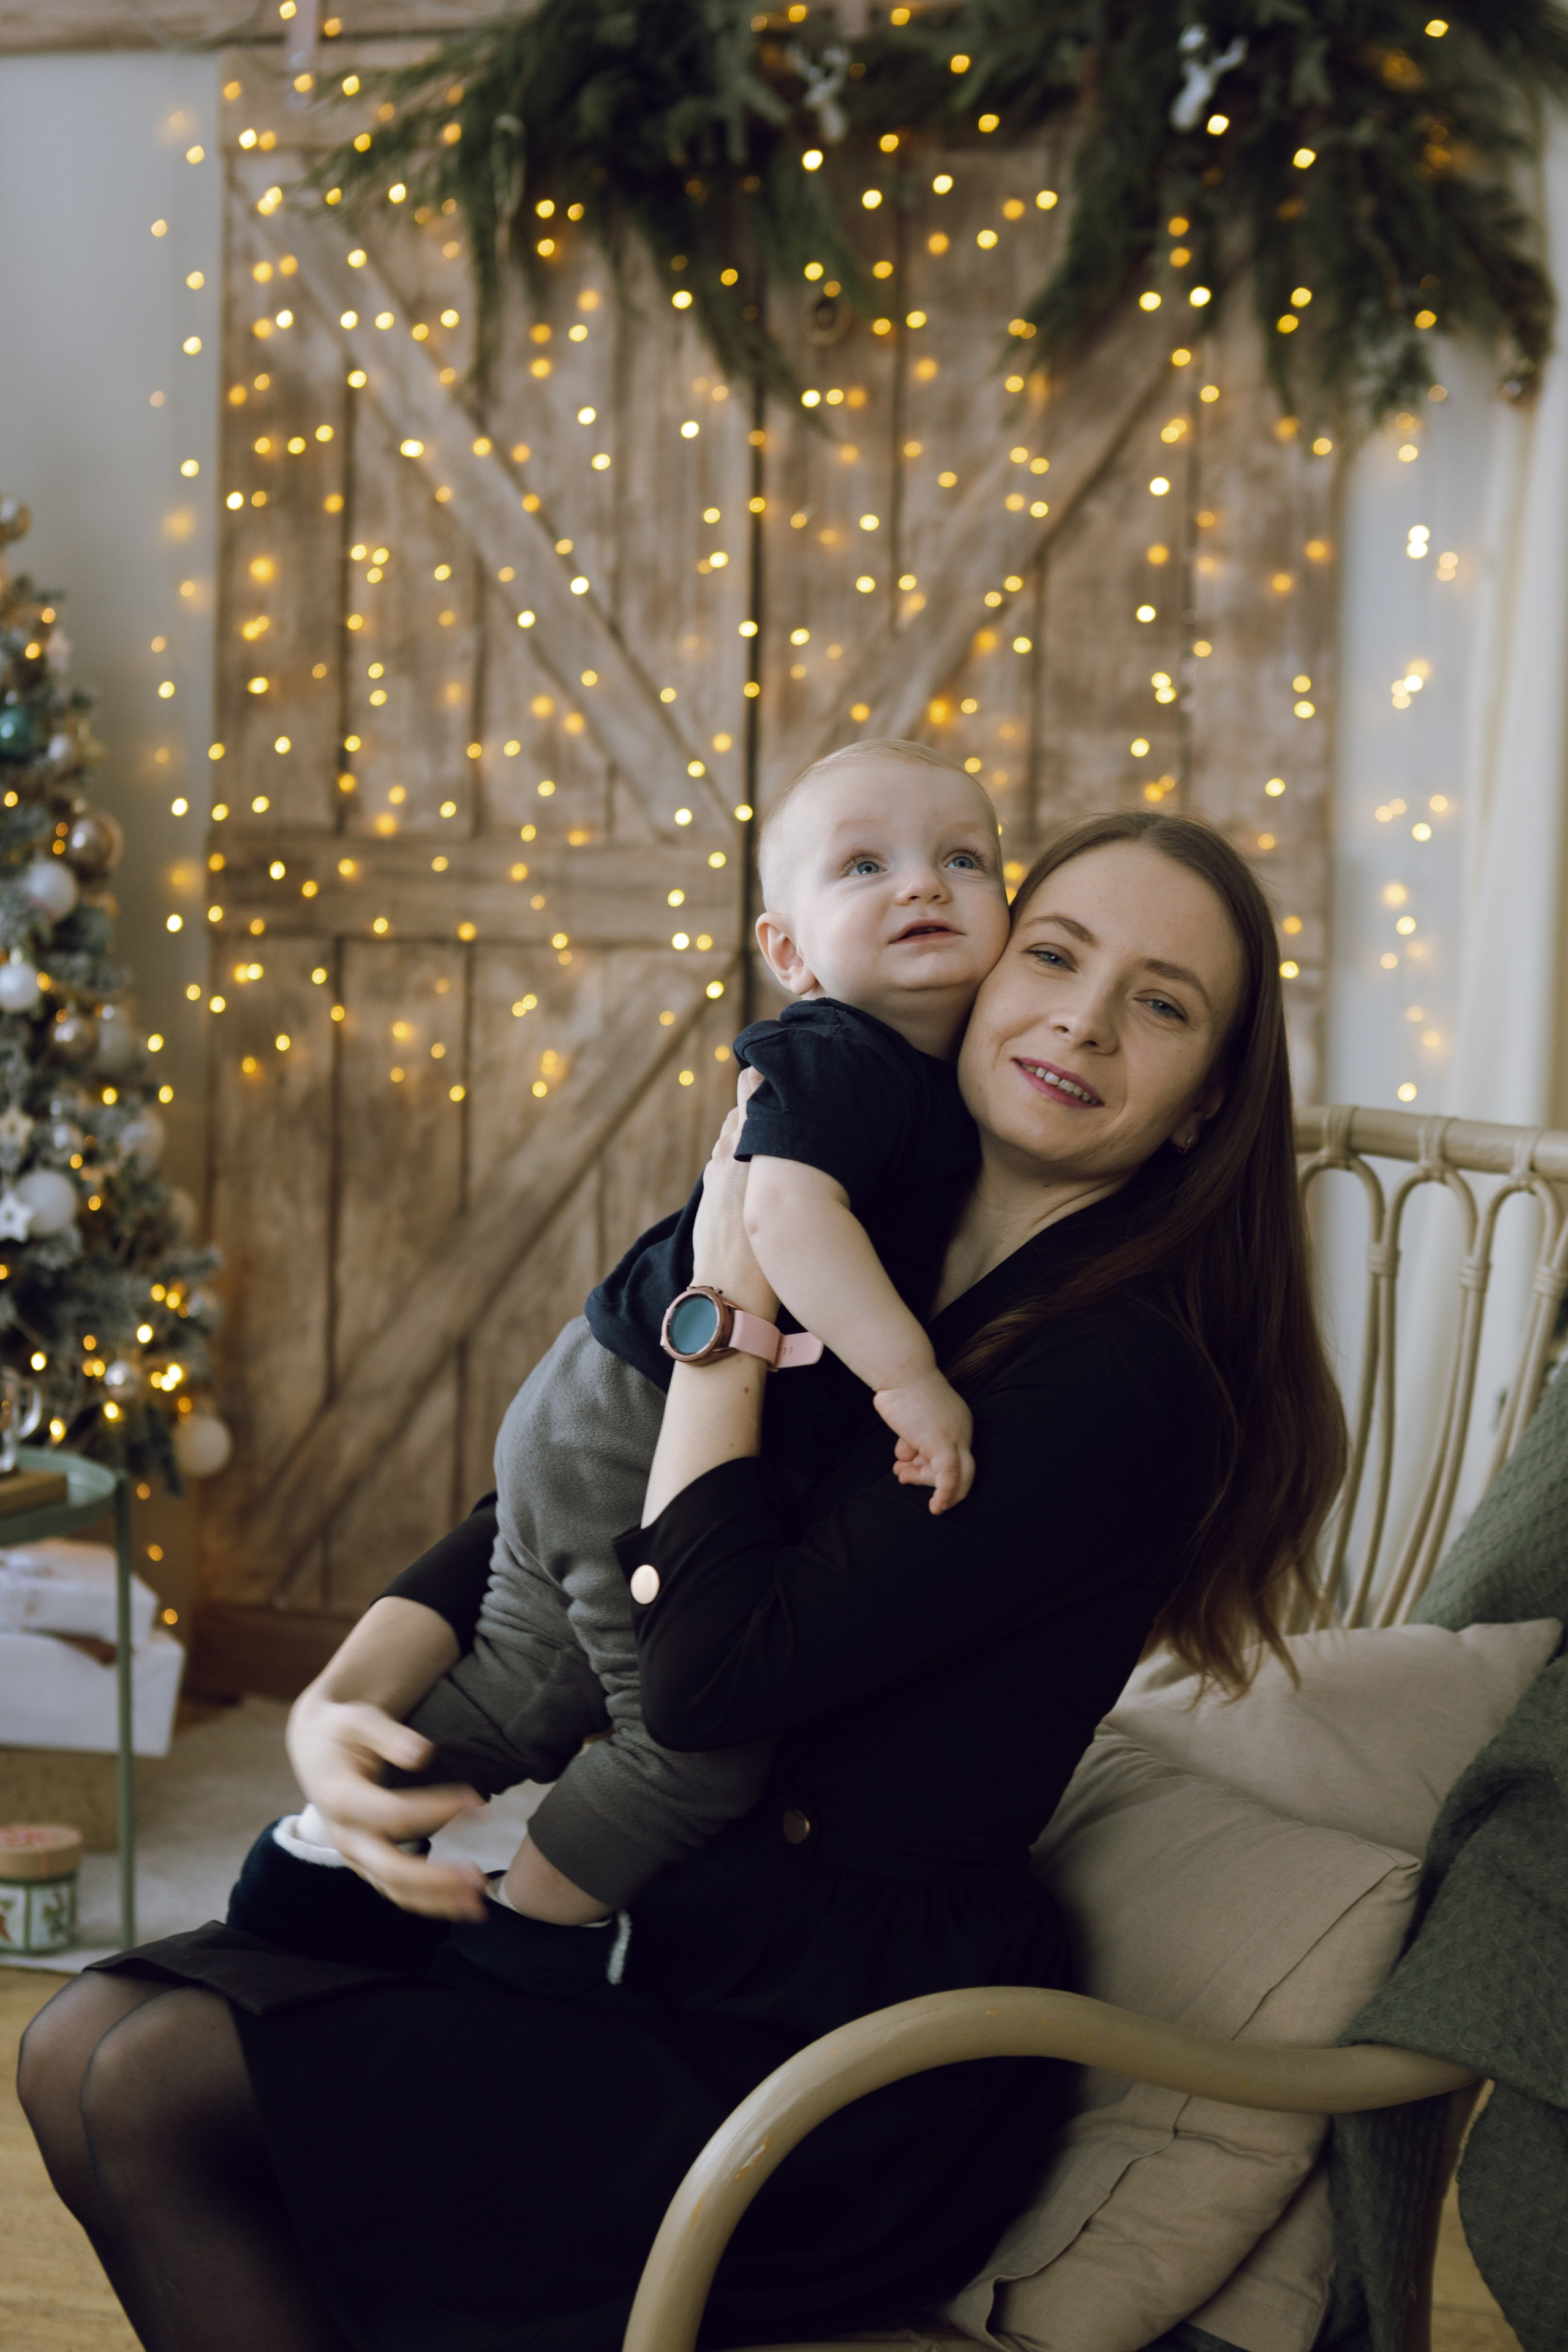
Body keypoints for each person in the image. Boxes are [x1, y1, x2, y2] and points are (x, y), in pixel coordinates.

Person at [18, 809, 1348, 2352]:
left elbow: (713, 1676)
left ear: (1204, 1104)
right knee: (86, 2039)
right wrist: (340, 1699)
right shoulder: (866, 1207)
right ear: (983, 970)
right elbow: (571, 1492)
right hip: (663, 1934)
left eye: (1159, 1003)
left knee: (147, 2076)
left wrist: (724, 1304)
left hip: (823, 2062)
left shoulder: (1117, 1378)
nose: (1083, 1019)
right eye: (1052, 955)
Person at [263, 737, 1011, 1953]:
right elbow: (783, 1215)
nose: (923, 883)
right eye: (865, 865)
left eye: (963, 860)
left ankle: (316, 1861)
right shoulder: (841, 1053)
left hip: (589, 1401)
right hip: (636, 1418)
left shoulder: (925, 1081)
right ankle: (529, 1947)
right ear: (789, 952)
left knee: (530, 1680)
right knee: (687, 1754)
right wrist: (908, 1378)